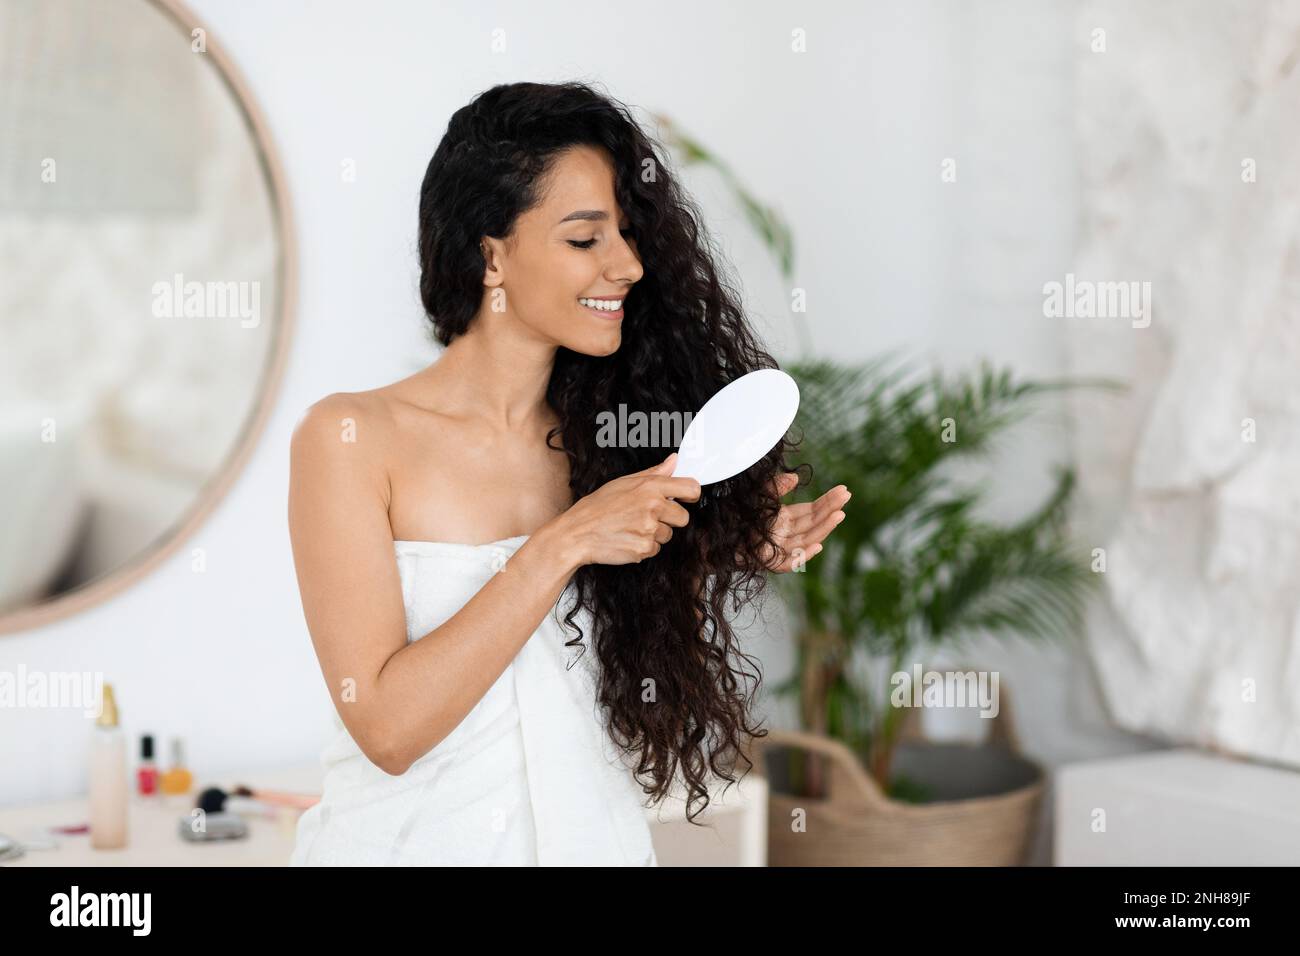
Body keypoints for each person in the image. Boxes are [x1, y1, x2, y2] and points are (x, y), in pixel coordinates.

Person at [286, 81, 850, 865]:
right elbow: (387, 730)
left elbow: (575, 668)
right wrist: (562, 543)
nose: (626, 265)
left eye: (626, 233)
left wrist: (722, 548)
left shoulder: (612, 445)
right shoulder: (350, 439)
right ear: (491, 255)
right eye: (585, 240)